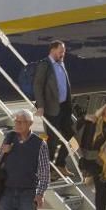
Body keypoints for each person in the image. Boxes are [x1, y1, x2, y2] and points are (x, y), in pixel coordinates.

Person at [33, 40, 74, 178]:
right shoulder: (45, 65)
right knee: (52, 140)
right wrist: (41, 106)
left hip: (64, 107)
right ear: (52, 50)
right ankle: (48, 170)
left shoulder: (61, 63)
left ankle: (60, 164)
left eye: (64, 50)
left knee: (74, 137)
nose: (63, 53)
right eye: (61, 50)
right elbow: (37, 86)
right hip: (51, 108)